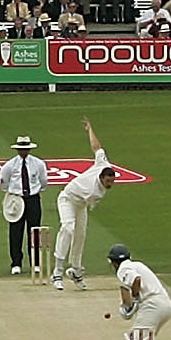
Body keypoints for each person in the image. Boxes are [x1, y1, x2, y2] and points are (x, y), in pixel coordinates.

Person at [50, 119, 120, 290]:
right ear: (102, 178)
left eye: (112, 181)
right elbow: (89, 199)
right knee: (68, 228)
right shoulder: (93, 191)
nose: (110, 185)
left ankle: (76, 271)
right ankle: (57, 273)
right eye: (108, 181)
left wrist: (90, 129)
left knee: (80, 236)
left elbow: (97, 147)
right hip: (67, 199)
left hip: (81, 205)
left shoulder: (103, 164)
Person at [0, 135, 48, 276]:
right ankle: (16, 263)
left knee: (34, 231)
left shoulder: (38, 164)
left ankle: (36, 263)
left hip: (33, 199)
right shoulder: (10, 165)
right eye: (21, 149)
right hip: (16, 200)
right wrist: (14, 194)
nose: (24, 151)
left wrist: (33, 192)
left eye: (26, 149)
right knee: (15, 232)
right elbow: (4, 182)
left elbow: (43, 182)